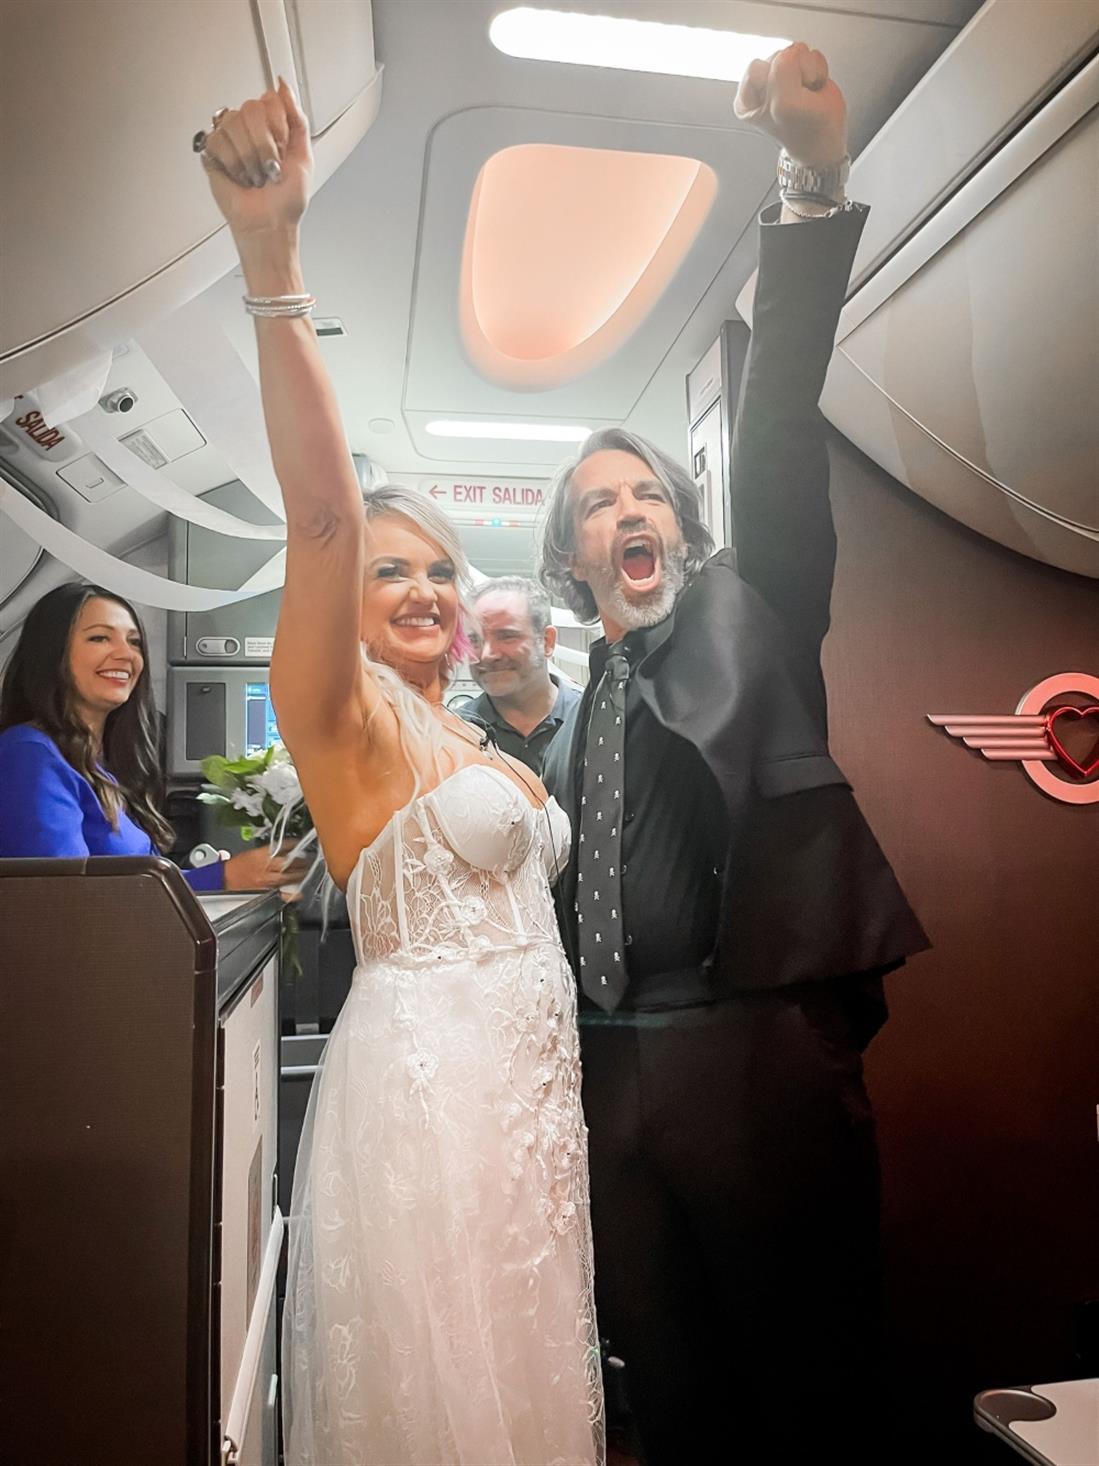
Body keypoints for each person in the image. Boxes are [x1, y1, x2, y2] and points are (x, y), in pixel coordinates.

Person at [198, 81, 603, 1465]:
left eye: (438, 568)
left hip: (529, 1098)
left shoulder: (474, 733)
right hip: (431, 1091)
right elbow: (321, 512)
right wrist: (272, 255)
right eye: (389, 573)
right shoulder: (342, 719)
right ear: (346, 602)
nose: (422, 589)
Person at [539, 44, 929, 1466]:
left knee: (809, 1393)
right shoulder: (570, 714)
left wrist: (809, 183)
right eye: (600, 502)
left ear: (681, 527)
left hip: (750, 1053)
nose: (630, 509)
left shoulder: (750, 614)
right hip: (609, 1073)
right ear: (571, 555)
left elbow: (773, 426)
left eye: (648, 490)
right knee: (673, 1391)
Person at [0, 582, 298, 894]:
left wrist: (206, 876)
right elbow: (65, 897)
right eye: (99, 638)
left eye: (135, 642)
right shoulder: (30, 755)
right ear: (51, 652)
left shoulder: (102, 765)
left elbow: (127, 888)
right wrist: (222, 878)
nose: (126, 654)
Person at [461, 576, 581, 773]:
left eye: (506, 636)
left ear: (547, 641)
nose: (487, 654)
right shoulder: (457, 733)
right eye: (474, 640)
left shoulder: (592, 721)